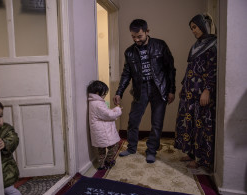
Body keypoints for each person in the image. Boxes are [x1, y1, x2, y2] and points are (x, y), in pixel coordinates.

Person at [113, 19, 176, 163]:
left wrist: (171, 90)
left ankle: (151, 151)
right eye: (133, 37)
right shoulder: (129, 52)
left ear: (147, 32)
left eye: (139, 36)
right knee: (133, 120)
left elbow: (170, 69)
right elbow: (126, 74)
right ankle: (131, 147)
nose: (136, 39)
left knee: (157, 122)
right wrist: (119, 92)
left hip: (159, 88)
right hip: (140, 89)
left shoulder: (160, 45)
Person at [174, 14, 217, 169]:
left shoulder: (213, 44)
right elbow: (190, 69)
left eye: (195, 27)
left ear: (203, 26)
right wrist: (183, 86)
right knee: (189, 123)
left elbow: (212, 69)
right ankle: (191, 153)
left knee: (200, 125)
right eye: (191, 28)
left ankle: (200, 158)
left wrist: (208, 90)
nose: (193, 31)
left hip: (201, 94)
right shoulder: (196, 46)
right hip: (189, 92)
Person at [87, 80, 122, 170]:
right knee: (114, 146)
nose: (105, 95)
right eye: (104, 93)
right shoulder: (98, 104)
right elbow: (108, 115)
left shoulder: (93, 102)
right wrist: (117, 109)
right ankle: (108, 161)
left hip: (98, 131)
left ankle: (101, 165)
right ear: (98, 92)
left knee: (101, 150)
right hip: (103, 132)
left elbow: (103, 114)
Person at [0, 99, 24, 195]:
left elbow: (14, 139)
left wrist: (5, 143)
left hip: (7, 170)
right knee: (4, 193)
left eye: (0, 116)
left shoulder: (6, 129)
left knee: (9, 190)